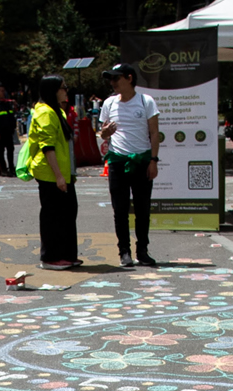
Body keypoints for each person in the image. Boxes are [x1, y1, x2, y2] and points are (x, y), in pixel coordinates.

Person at [97, 63, 161, 267]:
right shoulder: (108, 103)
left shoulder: (146, 101)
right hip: (117, 161)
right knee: (120, 209)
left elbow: (154, 133)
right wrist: (106, 133)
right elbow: (102, 133)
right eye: (111, 79)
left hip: (141, 161)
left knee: (143, 209)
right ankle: (124, 251)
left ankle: (143, 250)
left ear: (129, 78)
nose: (113, 83)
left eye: (116, 78)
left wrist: (153, 160)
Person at [27, 74, 79, 269]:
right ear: (52, 90)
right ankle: (50, 257)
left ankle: (67, 254)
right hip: (50, 173)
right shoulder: (45, 113)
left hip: (63, 173)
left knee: (68, 213)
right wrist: (58, 175)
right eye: (63, 88)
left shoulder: (58, 111)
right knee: (53, 216)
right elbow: (47, 146)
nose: (66, 91)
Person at [0, 84, 19, 173]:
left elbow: (11, 116)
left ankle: (11, 167)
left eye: (4, 91)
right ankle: (3, 169)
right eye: (1, 91)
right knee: (1, 151)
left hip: (8, 131)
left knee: (10, 150)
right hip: (0, 132)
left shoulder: (6, 104)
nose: (4, 93)